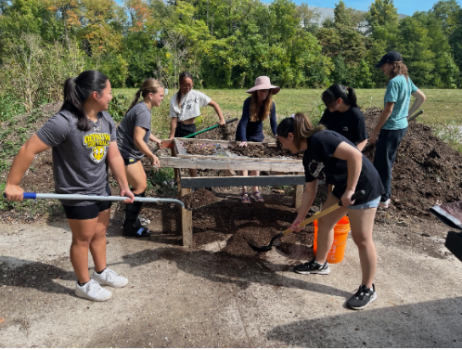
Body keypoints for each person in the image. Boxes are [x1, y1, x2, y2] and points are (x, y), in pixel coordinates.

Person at [4, 70, 135, 302]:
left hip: (101, 190)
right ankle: (83, 284)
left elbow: (113, 155)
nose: (111, 97)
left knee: (100, 233)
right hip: (76, 193)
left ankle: (102, 272)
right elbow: (28, 149)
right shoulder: (64, 122)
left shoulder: (106, 120)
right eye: (109, 92)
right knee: (82, 239)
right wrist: (13, 183)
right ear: (95, 95)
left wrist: (124, 186)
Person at [277, 113, 384, 310]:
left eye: (282, 141)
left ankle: (368, 288)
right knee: (324, 223)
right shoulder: (308, 156)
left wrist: (351, 190)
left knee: (361, 238)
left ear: (291, 136)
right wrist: (300, 219)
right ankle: (320, 263)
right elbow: (310, 191)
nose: (283, 146)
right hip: (344, 188)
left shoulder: (321, 139)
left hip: (363, 186)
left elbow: (355, 155)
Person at [370, 51, 426, 209]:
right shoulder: (406, 80)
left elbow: (387, 110)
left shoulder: (394, 82)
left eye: (383, 65)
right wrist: (406, 116)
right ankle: (381, 193)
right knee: (386, 160)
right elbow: (422, 98)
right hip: (401, 127)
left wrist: (375, 133)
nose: (382, 68)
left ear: (391, 64)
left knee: (383, 163)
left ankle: (384, 198)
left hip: (391, 128)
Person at [117, 78, 164, 237]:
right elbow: (138, 139)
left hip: (126, 152)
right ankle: (129, 226)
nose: (162, 98)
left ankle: (131, 219)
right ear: (150, 95)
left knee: (141, 185)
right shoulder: (143, 111)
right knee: (140, 186)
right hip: (124, 154)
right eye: (161, 95)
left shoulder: (142, 108)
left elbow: (142, 132)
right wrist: (151, 155)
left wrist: (155, 139)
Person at [169, 71, 226, 177]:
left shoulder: (196, 95)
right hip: (179, 128)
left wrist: (221, 119)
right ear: (180, 84)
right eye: (184, 85)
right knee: (175, 154)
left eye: (189, 85)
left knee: (191, 156)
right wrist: (171, 136)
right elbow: (174, 120)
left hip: (190, 129)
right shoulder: (174, 99)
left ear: (192, 84)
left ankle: (194, 180)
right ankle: (176, 179)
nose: (187, 87)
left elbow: (215, 104)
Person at [235, 76, 280, 204]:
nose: (263, 93)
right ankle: (244, 191)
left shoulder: (271, 104)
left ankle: (256, 190)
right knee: (244, 164)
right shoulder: (248, 102)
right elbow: (243, 122)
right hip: (244, 134)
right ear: (256, 91)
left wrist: (277, 135)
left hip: (257, 135)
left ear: (269, 91)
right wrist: (243, 139)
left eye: (266, 90)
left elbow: (274, 122)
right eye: (261, 90)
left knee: (256, 163)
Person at [320, 84, 368, 194]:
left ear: (339, 101)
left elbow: (363, 139)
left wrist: (352, 155)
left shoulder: (355, 115)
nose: (328, 107)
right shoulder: (329, 112)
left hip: (346, 158)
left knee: (342, 187)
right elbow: (320, 129)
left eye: (330, 103)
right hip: (330, 155)